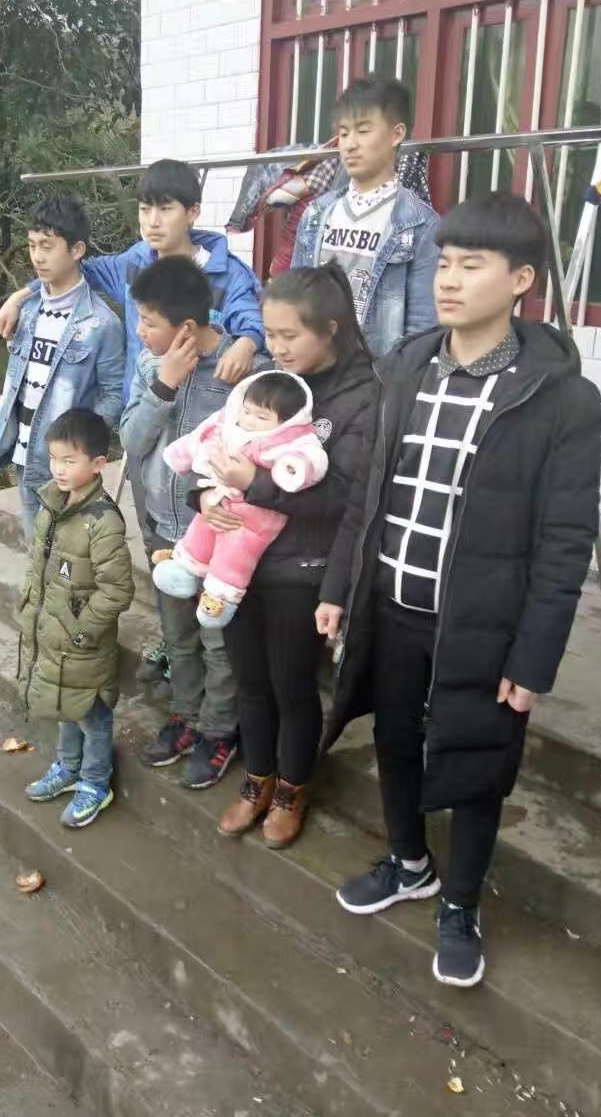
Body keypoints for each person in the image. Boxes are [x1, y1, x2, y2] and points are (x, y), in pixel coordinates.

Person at [315, 192, 601, 987]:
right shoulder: (406, 366)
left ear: (522, 280)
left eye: (471, 266)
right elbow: (369, 493)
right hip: (392, 605)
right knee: (394, 738)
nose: (448, 279)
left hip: (481, 624)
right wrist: (341, 585)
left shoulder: (561, 398)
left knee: (478, 762)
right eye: (444, 262)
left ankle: (461, 902)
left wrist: (534, 656)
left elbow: (565, 541)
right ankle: (410, 862)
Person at [202, 263, 377, 849]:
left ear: (329, 329)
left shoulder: (363, 397)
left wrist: (254, 484)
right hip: (237, 560)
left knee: (291, 683)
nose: (275, 348)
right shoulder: (269, 382)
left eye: (288, 335)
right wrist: (209, 495)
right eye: (270, 334)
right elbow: (218, 443)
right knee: (249, 678)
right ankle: (257, 777)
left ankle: (292, 787)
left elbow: (345, 496)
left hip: (301, 568)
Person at [120, 256, 266, 789]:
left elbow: (264, 452)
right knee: (178, 635)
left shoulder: (242, 372)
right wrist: (163, 386)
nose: (140, 331)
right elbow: (131, 442)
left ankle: (219, 731)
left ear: (185, 327)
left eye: (148, 321)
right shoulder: (149, 366)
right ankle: (186, 716)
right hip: (166, 527)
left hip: (222, 538)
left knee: (218, 641)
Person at [0, 158, 265, 398]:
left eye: (165, 209)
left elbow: (255, 324)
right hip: (138, 414)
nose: (153, 221)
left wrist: (246, 344)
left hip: (197, 420)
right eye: (145, 209)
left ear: (192, 212)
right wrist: (20, 296)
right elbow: (75, 269)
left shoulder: (227, 274)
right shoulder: (134, 263)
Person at [20, 408, 135, 828]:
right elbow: (39, 567)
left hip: (83, 644)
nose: (59, 469)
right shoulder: (52, 504)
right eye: (54, 459)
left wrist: (83, 631)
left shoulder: (102, 522)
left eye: (69, 461)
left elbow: (117, 589)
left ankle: (95, 782)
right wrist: (30, 610)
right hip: (52, 633)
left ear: (98, 464)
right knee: (65, 706)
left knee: (92, 715)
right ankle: (68, 767)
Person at [151, 370, 329, 629]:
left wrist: (291, 470)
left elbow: (311, 458)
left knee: (235, 554)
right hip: (218, 497)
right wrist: (185, 460)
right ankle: (184, 567)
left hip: (254, 517)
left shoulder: (290, 440)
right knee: (201, 529)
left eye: (262, 417)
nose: (250, 420)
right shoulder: (228, 422)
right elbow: (201, 436)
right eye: (246, 411)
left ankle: (220, 597)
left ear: (288, 421)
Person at [0, 197, 125, 538]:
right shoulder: (26, 310)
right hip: (23, 455)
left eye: (47, 246)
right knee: (35, 550)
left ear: (76, 250)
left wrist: (78, 446)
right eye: (32, 245)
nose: (37, 256)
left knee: (68, 557)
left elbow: (114, 395)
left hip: (65, 467)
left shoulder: (101, 324)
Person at [291, 74, 439, 357]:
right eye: (344, 133)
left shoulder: (421, 226)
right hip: (314, 367)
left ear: (396, 134)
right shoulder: (316, 214)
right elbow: (294, 299)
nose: (349, 144)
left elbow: (422, 330)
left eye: (363, 130)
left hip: (376, 372)